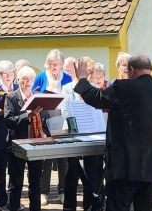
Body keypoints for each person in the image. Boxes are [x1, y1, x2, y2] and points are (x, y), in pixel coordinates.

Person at [74, 55, 152, 211]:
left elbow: (96, 97)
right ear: (149, 69)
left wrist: (82, 80)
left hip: (125, 166)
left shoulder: (124, 88)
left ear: (131, 70)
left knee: (118, 207)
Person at [4, 66, 52, 211]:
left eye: (30, 79)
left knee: (35, 183)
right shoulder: (11, 97)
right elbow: (9, 121)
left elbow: (45, 118)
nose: (28, 82)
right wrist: (28, 115)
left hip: (36, 144)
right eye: (24, 79)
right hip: (18, 145)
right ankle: (14, 207)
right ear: (18, 80)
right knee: (16, 183)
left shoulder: (38, 96)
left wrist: (45, 134)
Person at [60, 58, 104, 211]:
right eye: (86, 71)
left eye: (90, 71)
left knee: (92, 172)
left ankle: (89, 205)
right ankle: (69, 206)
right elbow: (65, 111)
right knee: (71, 172)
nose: (88, 74)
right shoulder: (67, 88)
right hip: (72, 134)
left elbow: (96, 112)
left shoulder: (93, 88)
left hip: (91, 134)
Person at [32, 49, 71, 205]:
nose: (53, 66)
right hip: (44, 122)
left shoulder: (67, 77)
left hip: (63, 121)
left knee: (64, 159)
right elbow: (33, 94)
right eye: (50, 63)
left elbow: (71, 95)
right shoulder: (41, 77)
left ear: (61, 64)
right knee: (46, 160)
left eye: (56, 63)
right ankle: (44, 192)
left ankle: (63, 191)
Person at [0, 60, 19, 211]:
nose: (9, 77)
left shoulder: (18, 88)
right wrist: (1, 112)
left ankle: (14, 201)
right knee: (0, 172)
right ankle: (1, 202)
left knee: (15, 171)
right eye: (5, 74)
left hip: (16, 137)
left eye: (11, 73)